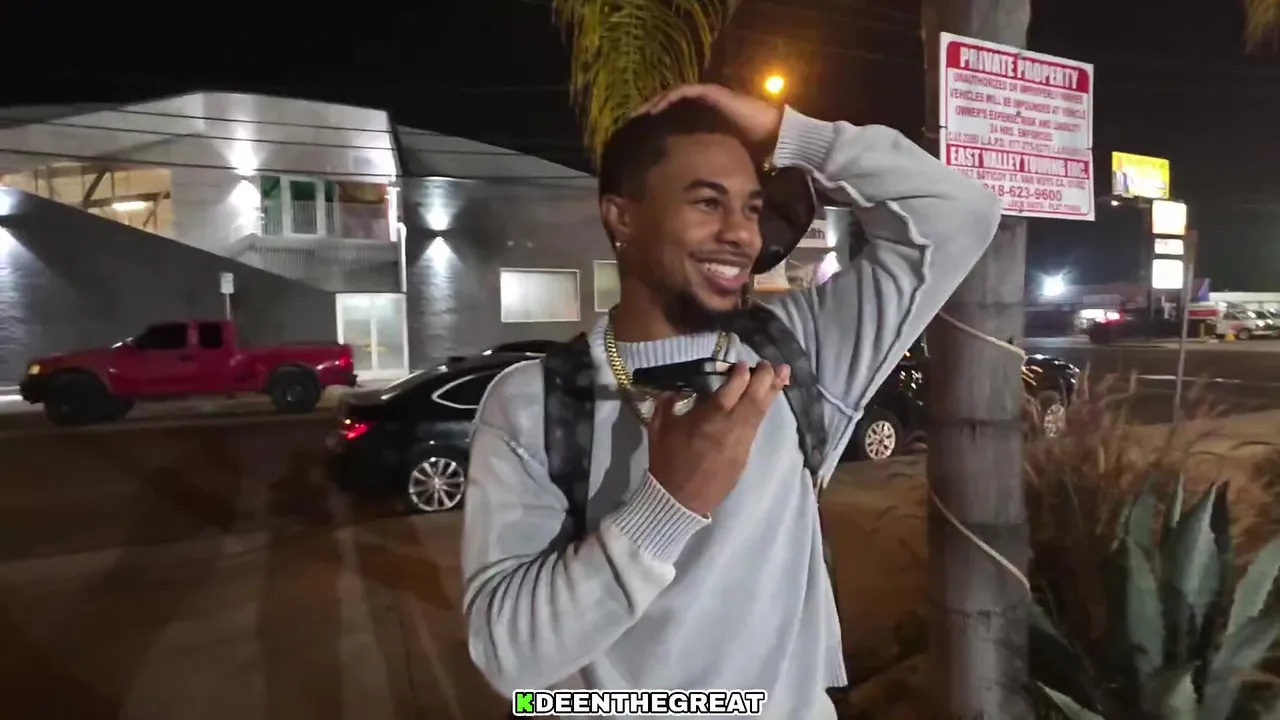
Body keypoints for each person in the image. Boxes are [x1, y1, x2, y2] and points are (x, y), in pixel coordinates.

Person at [462, 83, 1001, 718]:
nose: (741, 234)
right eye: (707, 203)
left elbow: (960, 211)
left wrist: (787, 132)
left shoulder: (801, 349)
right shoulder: (534, 403)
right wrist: (668, 505)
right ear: (621, 218)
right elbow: (508, 658)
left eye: (751, 208)